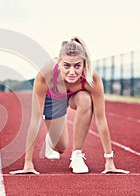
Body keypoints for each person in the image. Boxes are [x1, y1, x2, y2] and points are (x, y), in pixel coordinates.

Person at [10, 36, 129, 174]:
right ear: (58, 63)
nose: (72, 72)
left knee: (85, 99)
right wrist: (28, 163)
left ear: (84, 64)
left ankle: (77, 155)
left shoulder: (92, 78)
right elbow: (35, 119)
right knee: (60, 147)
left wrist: (109, 161)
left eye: (77, 66)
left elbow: (101, 119)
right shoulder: (45, 75)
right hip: (53, 99)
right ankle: (52, 137)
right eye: (66, 66)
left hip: (75, 96)